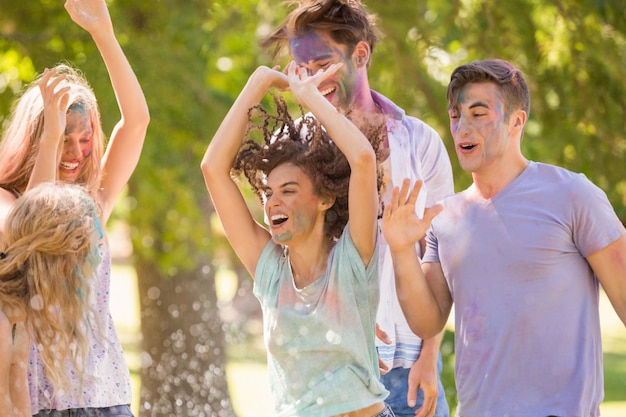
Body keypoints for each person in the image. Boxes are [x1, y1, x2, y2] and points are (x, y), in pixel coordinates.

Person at [382, 58, 626, 416]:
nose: (462, 127)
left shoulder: (573, 195)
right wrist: (402, 250)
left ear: (517, 121)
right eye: (455, 115)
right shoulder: (445, 218)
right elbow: (426, 321)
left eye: (478, 114)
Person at [262, 1, 453, 416]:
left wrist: (429, 355)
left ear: (360, 54)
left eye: (324, 63)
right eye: (303, 68)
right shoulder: (298, 153)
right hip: (339, 369)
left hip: (410, 363)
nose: (315, 78)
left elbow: (440, 255)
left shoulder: (419, 142)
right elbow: (288, 258)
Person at [202, 60, 393, 417]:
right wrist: (259, 82)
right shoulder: (269, 269)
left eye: (288, 190)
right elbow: (213, 169)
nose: (273, 200)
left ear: (325, 199)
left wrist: (309, 97)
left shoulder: (353, 259)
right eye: (268, 192)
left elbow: (363, 160)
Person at [0, 0, 150, 414]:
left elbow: (136, 121)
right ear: (36, 135)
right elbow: (31, 224)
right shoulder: (7, 200)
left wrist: (104, 34)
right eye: (64, 138)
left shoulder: (93, 205)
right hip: (39, 400)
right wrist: (50, 137)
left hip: (108, 396)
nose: (77, 152)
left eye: (85, 139)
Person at [0, 183, 102, 417]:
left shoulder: (19, 317)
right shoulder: (2, 323)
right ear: (66, 258)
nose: (97, 261)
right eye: (95, 248)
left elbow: (16, 385)